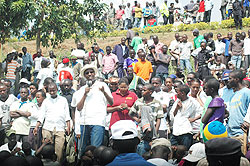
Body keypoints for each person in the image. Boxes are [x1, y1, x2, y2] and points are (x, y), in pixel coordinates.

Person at [71, 64, 113, 158]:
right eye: (87, 73)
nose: (90, 74)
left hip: (98, 122)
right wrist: (85, 94)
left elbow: (111, 102)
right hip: (84, 123)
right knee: (82, 150)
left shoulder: (102, 85)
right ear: (84, 75)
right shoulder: (82, 89)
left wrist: (104, 92)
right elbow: (78, 108)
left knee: (95, 150)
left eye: (91, 72)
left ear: (95, 73)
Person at [33, 82, 71, 162]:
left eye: (54, 90)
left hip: (60, 127)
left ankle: (57, 163)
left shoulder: (63, 100)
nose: (52, 92)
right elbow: (41, 115)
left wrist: (68, 126)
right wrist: (36, 127)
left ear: (57, 90)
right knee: (46, 149)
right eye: (50, 91)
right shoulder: (46, 101)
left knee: (59, 150)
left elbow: (67, 114)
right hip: (47, 127)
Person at [129, 83, 164, 155]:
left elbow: (158, 119)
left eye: (144, 90)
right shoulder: (139, 101)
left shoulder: (157, 103)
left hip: (152, 132)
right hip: (141, 133)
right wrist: (137, 119)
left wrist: (155, 133)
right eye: (141, 90)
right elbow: (131, 113)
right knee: (141, 150)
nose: (142, 92)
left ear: (150, 92)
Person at [170, 84, 201, 149]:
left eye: (177, 92)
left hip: (186, 131)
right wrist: (177, 108)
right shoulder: (177, 102)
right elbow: (172, 116)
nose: (176, 94)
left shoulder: (192, 101)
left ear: (182, 93)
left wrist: (194, 119)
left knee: (184, 150)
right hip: (176, 131)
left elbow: (202, 112)